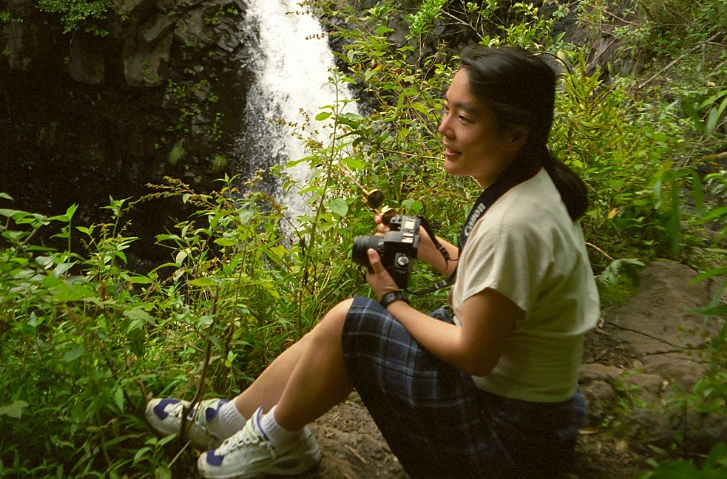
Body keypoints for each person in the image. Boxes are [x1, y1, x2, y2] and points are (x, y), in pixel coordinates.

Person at [145, 45, 601, 478]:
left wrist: (393, 301)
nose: (444, 127)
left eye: (464, 118)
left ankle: (277, 440)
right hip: (530, 416)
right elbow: (498, 288)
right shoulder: (536, 188)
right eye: (445, 108)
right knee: (347, 325)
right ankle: (234, 418)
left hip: (510, 444)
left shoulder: (513, 223)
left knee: (355, 321)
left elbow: (475, 353)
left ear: (515, 135)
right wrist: (427, 246)